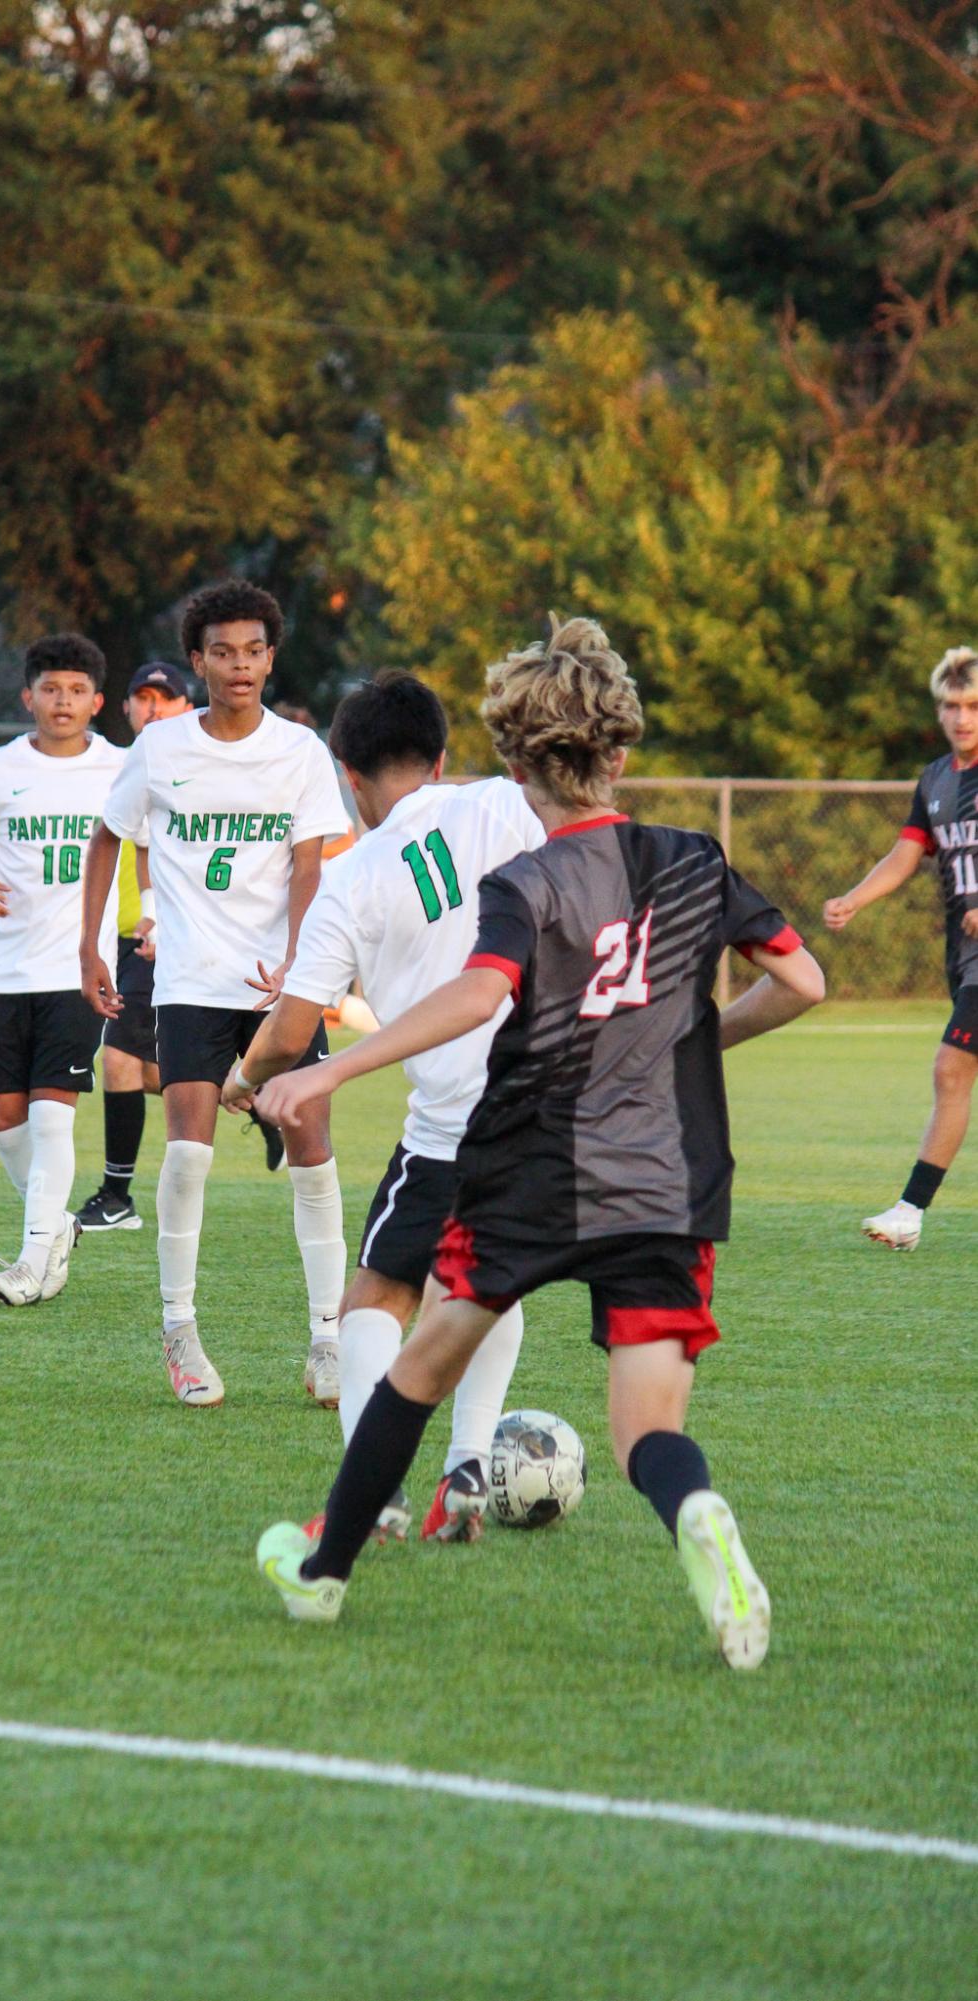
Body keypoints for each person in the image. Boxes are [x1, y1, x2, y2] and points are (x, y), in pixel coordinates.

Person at [255, 616, 825, 1669]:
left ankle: (322, 1570)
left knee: (414, 1366)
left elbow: (478, 995)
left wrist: (328, 1066)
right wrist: (696, 1037)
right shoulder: (692, 859)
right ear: (619, 752)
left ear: (514, 764)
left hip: (531, 1171)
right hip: (662, 1176)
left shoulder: (524, 884)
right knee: (645, 1431)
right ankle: (698, 1514)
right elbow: (803, 981)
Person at [222, 671, 546, 1542]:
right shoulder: (503, 807)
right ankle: (467, 1464)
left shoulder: (353, 875)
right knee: (485, 1278)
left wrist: (244, 1076)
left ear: (345, 772)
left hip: (452, 1118)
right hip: (553, 1105)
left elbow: (291, 1030)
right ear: (441, 759)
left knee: (375, 1296)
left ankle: (377, 1490)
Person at [80, 579, 349, 1410]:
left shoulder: (300, 752)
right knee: (190, 1152)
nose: (241, 665)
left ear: (272, 657)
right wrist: (90, 945)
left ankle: (328, 1339)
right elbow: (106, 838)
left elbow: (310, 864)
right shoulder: (159, 750)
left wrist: (305, 966)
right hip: (191, 980)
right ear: (197, 661)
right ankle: (179, 1330)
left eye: (255, 650)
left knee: (312, 1148)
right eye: (223, 652)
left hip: (280, 984)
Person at [0, 633, 125, 1305]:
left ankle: (31, 1263)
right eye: (51, 688)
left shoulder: (120, 767)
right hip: (7, 969)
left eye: (77, 690)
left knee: (54, 1119)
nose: (63, 700)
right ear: (29, 696)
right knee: (4, 1120)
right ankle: (59, 1226)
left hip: (78, 969)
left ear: (96, 701)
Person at [824, 645, 978, 1250]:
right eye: (951, 705)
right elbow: (906, 854)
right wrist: (855, 899)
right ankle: (910, 1212)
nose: (962, 717)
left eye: (972, 705)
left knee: (950, 1068)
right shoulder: (937, 780)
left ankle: (911, 1211)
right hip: (964, 960)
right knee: (955, 1074)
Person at [74, 660, 192, 1232]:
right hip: (125, 940)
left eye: (164, 699)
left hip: (165, 941)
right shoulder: (124, 767)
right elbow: (135, 849)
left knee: (119, 1057)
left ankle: (117, 1196)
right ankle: (255, 1096)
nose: (152, 709)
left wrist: (157, 921)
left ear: (186, 708)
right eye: (142, 698)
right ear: (124, 707)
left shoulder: (187, 771)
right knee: (152, 1070)